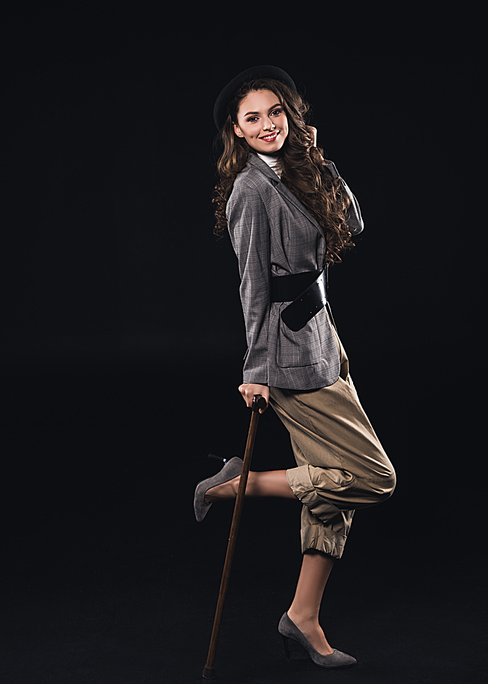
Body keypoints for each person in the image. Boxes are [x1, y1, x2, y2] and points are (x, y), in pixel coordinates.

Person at [194, 65, 396, 669]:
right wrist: (255, 366)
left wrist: (319, 160)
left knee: (330, 495)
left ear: (292, 114)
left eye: (275, 112)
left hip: (323, 341)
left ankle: (302, 616)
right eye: (251, 117)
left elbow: (355, 223)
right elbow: (253, 286)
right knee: (372, 477)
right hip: (286, 356)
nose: (266, 125)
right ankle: (240, 484)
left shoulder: (298, 170)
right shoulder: (250, 192)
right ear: (235, 129)